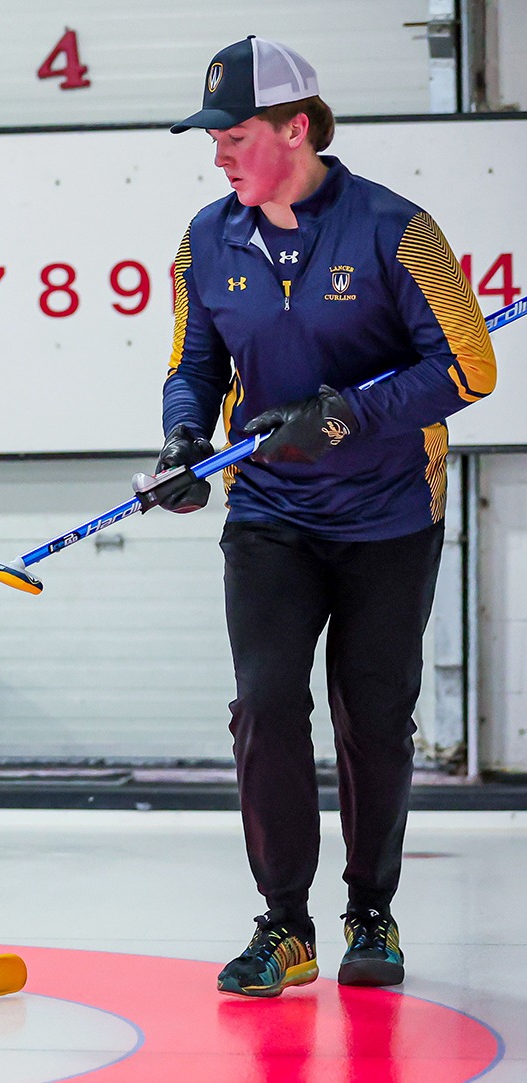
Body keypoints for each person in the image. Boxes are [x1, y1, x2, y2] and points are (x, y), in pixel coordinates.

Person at [153, 37, 495, 997]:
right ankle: (285, 924)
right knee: (264, 705)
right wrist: (184, 442)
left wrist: (344, 414)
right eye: (213, 136)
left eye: (235, 133)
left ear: (296, 128)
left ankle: (371, 908)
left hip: (390, 512)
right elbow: (193, 366)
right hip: (271, 512)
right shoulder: (205, 239)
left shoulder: (398, 230)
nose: (219, 152)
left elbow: (469, 366)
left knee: (373, 717)